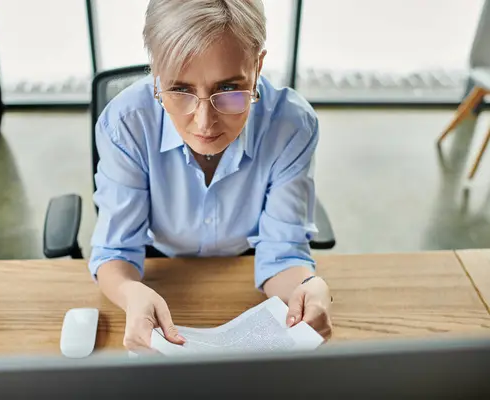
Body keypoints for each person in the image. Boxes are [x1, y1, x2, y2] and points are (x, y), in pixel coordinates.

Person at [90, 0, 332, 351]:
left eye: (230, 90)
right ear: (155, 71)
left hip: (245, 265)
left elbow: (282, 254)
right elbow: (115, 250)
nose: (204, 124)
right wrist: (130, 293)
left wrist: (306, 289)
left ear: (258, 66)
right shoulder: (125, 124)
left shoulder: (291, 126)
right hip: (161, 263)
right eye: (180, 90)